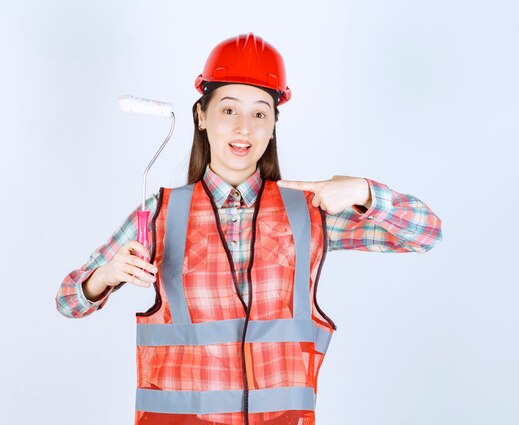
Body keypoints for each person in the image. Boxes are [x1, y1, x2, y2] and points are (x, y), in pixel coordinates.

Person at [56, 32, 443, 425]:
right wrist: (104, 276)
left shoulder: (310, 212)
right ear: (202, 116)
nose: (244, 128)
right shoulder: (160, 214)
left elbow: (426, 233)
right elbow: (68, 301)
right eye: (228, 110)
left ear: (274, 124)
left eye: (259, 113)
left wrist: (364, 191)